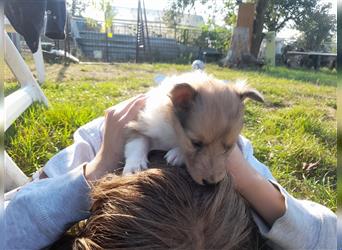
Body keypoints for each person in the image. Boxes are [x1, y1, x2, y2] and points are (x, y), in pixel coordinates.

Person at [4, 95, 336, 249]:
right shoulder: (239, 160)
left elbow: (11, 218)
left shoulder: (97, 146)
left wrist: (94, 172)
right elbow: (330, 238)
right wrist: (249, 181)